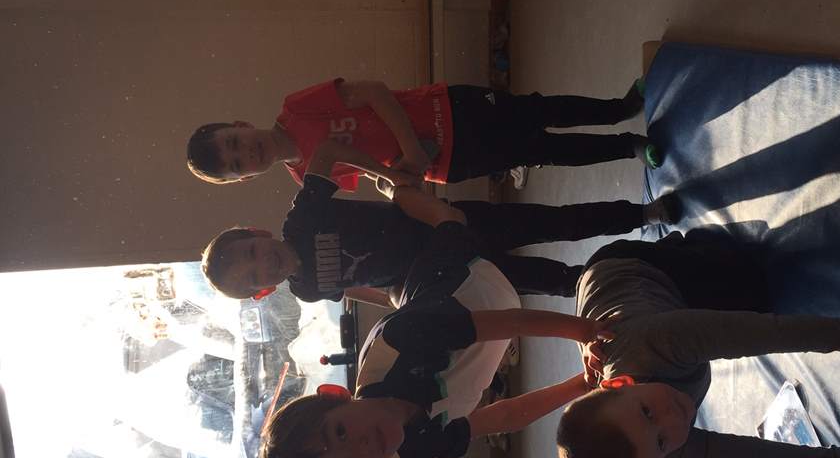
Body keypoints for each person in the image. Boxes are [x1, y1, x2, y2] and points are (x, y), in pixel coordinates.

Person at [258, 186, 612, 458]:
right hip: (468, 311)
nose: (361, 447)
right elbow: (501, 417)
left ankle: (403, 192)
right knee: (571, 280)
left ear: (336, 395)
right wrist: (582, 385)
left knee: (510, 225)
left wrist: (584, 331)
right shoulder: (408, 448)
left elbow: (511, 322)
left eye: (340, 432)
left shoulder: (399, 344)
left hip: (463, 270)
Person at [555, 235, 840, 458]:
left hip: (627, 270)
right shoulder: (649, 446)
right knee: (745, 295)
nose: (672, 418)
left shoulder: (657, 343)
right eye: (662, 441)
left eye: (647, 412)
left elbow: (765, 334)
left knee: (753, 286)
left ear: (620, 384)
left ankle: (681, 248)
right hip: (654, 320)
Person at [201, 138, 681, 300]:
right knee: (551, 280)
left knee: (556, 222)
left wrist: (386, 174)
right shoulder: (306, 290)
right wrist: (397, 298)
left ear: (256, 233)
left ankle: (641, 214)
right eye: (253, 277)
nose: (262, 264)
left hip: (446, 222)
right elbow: (357, 287)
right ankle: (641, 279)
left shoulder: (301, 219)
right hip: (448, 270)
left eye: (251, 253)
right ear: (262, 291)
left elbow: (326, 152)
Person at [185, 77, 659, 190]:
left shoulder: (297, 108)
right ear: (244, 178)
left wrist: (410, 146)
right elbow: (375, 173)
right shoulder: (311, 176)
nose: (245, 153)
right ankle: (629, 147)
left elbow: (373, 92)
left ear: (239, 125)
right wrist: (398, 178)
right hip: (445, 162)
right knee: (542, 151)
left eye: (233, 142)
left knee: (535, 111)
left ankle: (619, 109)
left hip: (445, 108)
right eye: (236, 165)